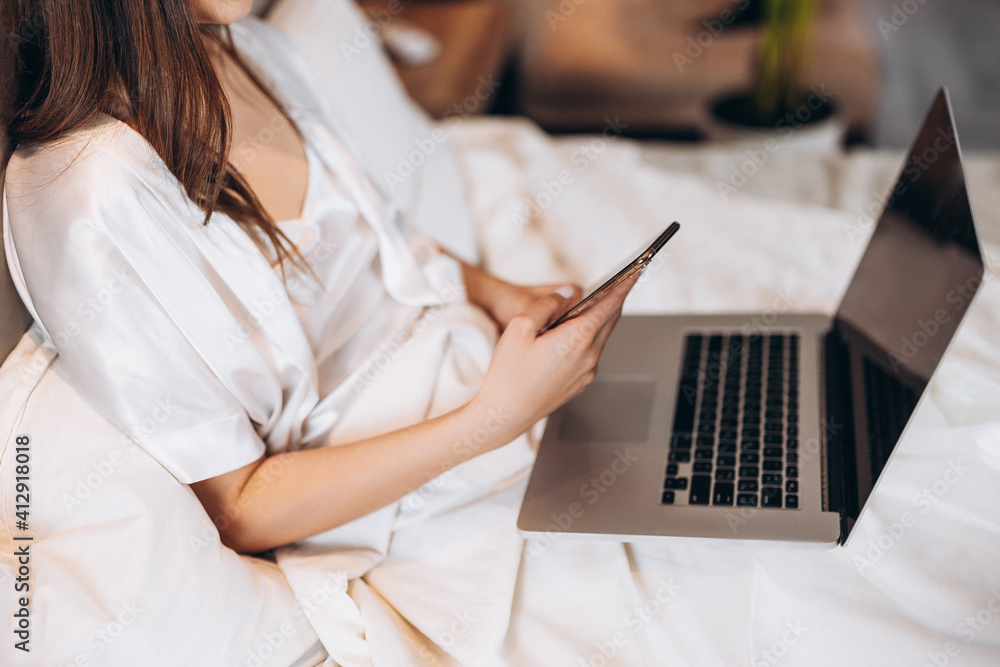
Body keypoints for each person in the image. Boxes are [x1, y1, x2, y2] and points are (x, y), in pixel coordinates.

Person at [2, 0, 636, 554]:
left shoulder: (250, 48)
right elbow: (239, 508)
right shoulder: (85, 192)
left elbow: (376, 244)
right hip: (401, 490)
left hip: (488, 377)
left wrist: (502, 297)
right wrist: (493, 419)